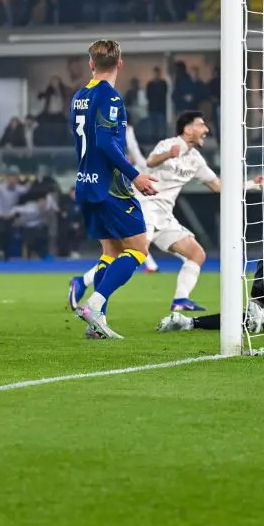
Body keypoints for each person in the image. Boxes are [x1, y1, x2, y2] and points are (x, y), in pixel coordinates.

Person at [70, 111, 252, 313]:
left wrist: (250, 184)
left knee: (196, 254)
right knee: (132, 255)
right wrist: (169, 154)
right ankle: (84, 285)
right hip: (145, 208)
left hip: (165, 216)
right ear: (188, 129)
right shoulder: (169, 144)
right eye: (201, 125)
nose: (206, 130)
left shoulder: (196, 160)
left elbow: (217, 186)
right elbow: (150, 162)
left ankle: (181, 299)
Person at [70, 39, 157, 340]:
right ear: (120, 63)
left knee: (112, 251)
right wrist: (136, 176)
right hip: (111, 187)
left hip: (85, 183)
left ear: (91, 64)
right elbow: (106, 142)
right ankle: (95, 304)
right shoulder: (111, 98)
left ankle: (98, 321)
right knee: (139, 249)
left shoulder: (79, 96)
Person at [0, 167, 29, 260]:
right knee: (0, 232)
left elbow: (26, 189)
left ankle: (5, 253)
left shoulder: (20, 189)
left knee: (10, 235)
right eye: (11, 177)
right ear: (7, 178)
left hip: (10, 215)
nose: (12, 180)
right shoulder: (0, 187)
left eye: (15, 178)